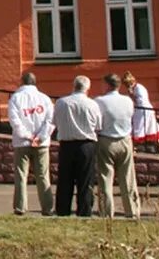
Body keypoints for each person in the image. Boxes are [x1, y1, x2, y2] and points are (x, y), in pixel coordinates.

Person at [53, 75, 102, 217]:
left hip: (66, 145)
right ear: (88, 88)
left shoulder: (61, 103)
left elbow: (55, 122)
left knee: (64, 180)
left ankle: (62, 211)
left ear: (73, 86)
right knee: (86, 181)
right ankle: (84, 212)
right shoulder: (92, 104)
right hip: (86, 144)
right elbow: (98, 126)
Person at [7, 72, 54, 216]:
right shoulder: (45, 98)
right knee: (43, 175)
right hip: (42, 143)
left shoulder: (15, 98)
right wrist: (40, 137)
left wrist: (27, 136)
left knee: (21, 175)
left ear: (22, 82)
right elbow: (50, 120)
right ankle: (47, 208)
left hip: (22, 143)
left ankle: (20, 207)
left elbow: (15, 121)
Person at [94, 73, 139, 218]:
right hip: (125, 139)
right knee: (128, 178)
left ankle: (107, 212)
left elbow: (96, 121)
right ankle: (132, 210)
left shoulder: (99, 101)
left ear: (107, 85)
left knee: (105, 178)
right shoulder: (127, 100)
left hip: (106, 139)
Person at [121, 71, 159, 154]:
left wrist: (131, 95)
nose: (127, 87)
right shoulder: (138, 87)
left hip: (143, 110)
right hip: (146, 109)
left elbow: (140, 101)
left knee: (138, 127)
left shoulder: (138, 88)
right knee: (150, 127)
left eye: (127, 84)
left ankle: (133, 147)